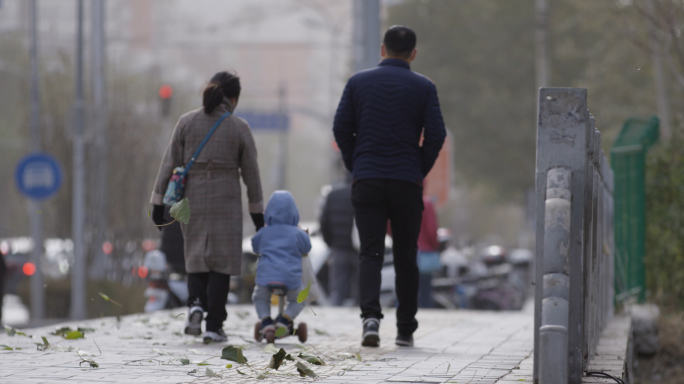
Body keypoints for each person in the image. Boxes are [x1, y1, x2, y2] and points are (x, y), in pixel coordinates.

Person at [332, 25, 446, 347]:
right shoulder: (424, 87)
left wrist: (357, 164)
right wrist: (417, 168)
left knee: (370, 253)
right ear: (413, 54)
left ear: (382, 50)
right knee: (406, 256)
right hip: (406, 182)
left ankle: (370, 319)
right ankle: (406, 328)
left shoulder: (357, 83)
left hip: (367, 179)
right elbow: (436, 134)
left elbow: (341, 127)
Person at [150, 71, 264, 344]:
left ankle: (196, 306)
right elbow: (252, 176)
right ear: (233, 99)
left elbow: (168, 164)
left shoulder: (186, 122)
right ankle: (214, 325)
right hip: (226, 200)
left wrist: (157, 203)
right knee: (222, 265)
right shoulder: (239, 128)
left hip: (194, 199)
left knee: (197, 257)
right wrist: (258, 216)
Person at [251, 191, 312, 340]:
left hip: (266, 277)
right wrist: (304, 235)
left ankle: (266, 321)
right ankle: (285, 319)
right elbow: (306, 249)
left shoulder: (264, 232)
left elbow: (255, 247)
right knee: (299, 299)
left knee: (259, 297)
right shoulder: (298, 233)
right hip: (290, 277)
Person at [319, 174, 359, 306]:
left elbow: (324, 222)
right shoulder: (361, 194)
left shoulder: (333, 195)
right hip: (358, 248)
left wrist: (330, 243)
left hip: (338, 248)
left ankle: (335, 316)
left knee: (337, 287)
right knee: (358, 288)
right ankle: (357, 314)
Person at [416, 194, 440, 308]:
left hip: (404, 250)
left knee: (405, 289)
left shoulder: (399, 200)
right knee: (425, 291)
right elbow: (431, 229)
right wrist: (435, 246)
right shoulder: (426, 203)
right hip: (424, 252)